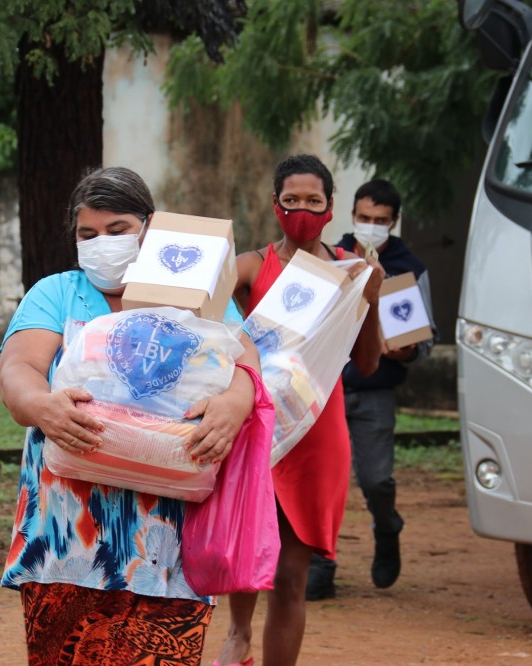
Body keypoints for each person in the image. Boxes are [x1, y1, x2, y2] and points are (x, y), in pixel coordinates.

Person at [0, 166, 261, 665]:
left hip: (166, 545)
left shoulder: (193, 293)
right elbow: (18, 369)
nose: (103, 243)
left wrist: (233, 404)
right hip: (65, 542)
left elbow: (247, 364)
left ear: (149, 228)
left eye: (117, 230)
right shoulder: (57, 293)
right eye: (87, 234)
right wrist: (41, 405)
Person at [216, 154, 383, 666]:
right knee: (246, 551)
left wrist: (371, 298)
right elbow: (204, 301)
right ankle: (238, 634)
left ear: (330, 208)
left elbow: (368, 364)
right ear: (275, 205)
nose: (303, 210)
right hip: (258, 423)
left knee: (291, 579)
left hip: (315, 433)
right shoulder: (251, 265)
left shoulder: (348, 274)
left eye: (314, 201)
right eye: (292, 201)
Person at [306, 179, 438, 600]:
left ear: (394, 222)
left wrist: (406, 350)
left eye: (381, 221)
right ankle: (320, 564)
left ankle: (387, 526)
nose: (371, 226)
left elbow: (423, 343)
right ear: (352, 216)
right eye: (364, 218)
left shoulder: (407, 268)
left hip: (375, 390)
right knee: (323, 480)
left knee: (376, 480)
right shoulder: (329, 259)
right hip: (323, 388)